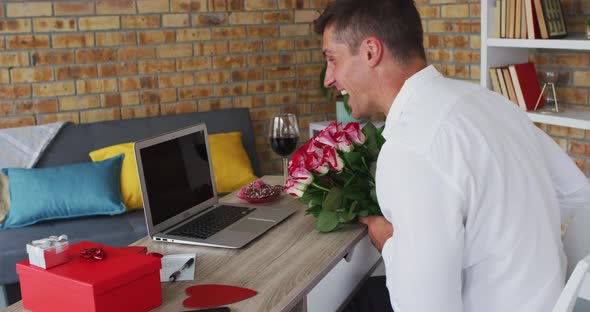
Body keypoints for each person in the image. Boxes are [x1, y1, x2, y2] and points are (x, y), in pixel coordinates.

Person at [314, 0, 590, 311]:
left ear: (370, 52)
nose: (328, 79)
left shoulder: (410, 147)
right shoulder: (489, 101)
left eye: (332, 60)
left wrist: (391, 244)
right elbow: (578, 191)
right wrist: (512, 239)